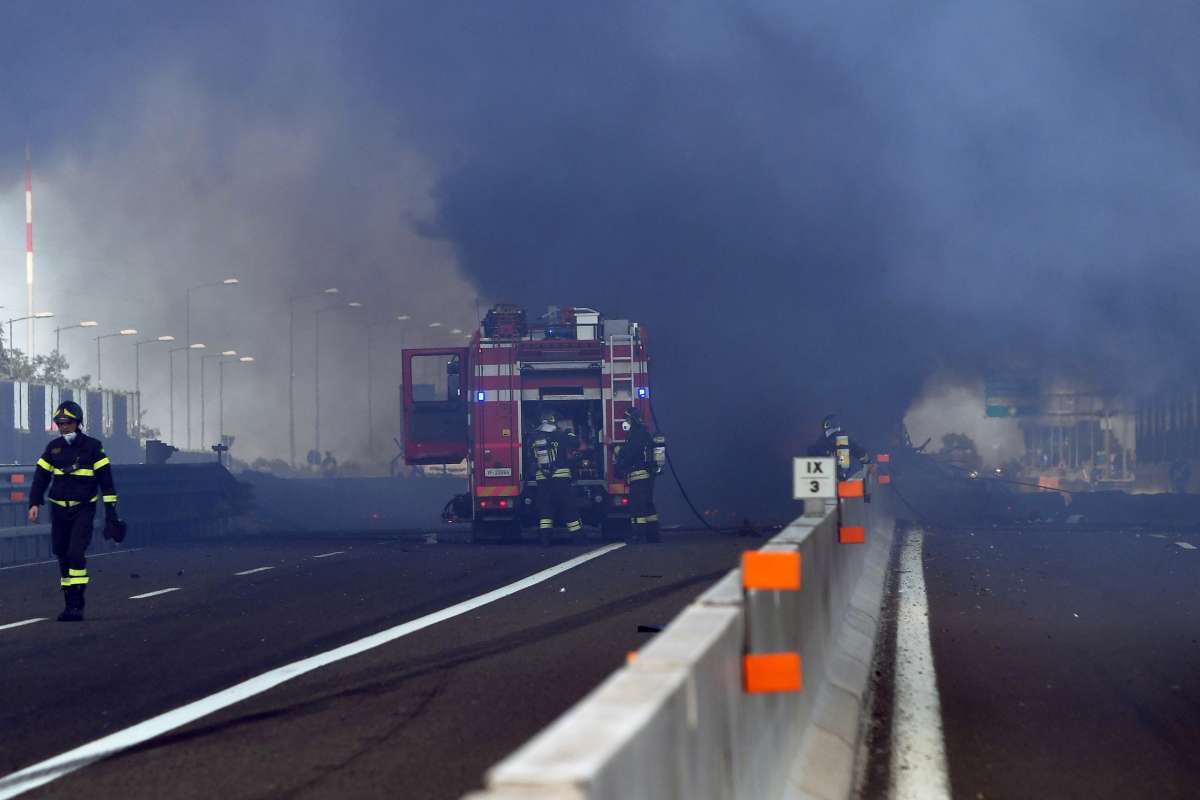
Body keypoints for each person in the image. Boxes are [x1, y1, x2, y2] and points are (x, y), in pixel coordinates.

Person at [28, 400, 123, 622]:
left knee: (75, 554)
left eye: (67, 423)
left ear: (78, 423)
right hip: (59, 510)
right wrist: (34, 503)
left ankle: (77, 603)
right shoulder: (53, 449)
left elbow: (106, 483)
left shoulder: (93, 447)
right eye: (59, 423)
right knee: (61, 554)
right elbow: (40, 477)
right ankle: (68, 602)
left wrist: (111, 514)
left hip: (83, 510)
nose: (63, 427)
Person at [529, 409, 582, 545]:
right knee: (568, 507)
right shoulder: (560, 435)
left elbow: (531, 457)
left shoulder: (535, 436)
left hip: (542, 478)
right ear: (554, 421)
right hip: (560, 477)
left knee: (546, 510)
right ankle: (578, 539)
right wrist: (568, 431)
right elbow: (576, 443)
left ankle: (545, 540)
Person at [614, 407, 660, 542]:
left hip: (638, 478)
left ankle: (639, 536)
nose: (625, 422)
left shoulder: (635, 435)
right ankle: (653, 535)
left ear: (633, 420)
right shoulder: (643, 434)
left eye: (627, 419)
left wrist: (618, 456)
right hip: (646, 477)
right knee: (648, 507)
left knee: (637, 508)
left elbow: (629, 454)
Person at [808, 414, 869, 479]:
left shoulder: (821, 441)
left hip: (830, 479)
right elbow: (861, 453)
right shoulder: (844, 439)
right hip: (843, 479)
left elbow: (811, 452)